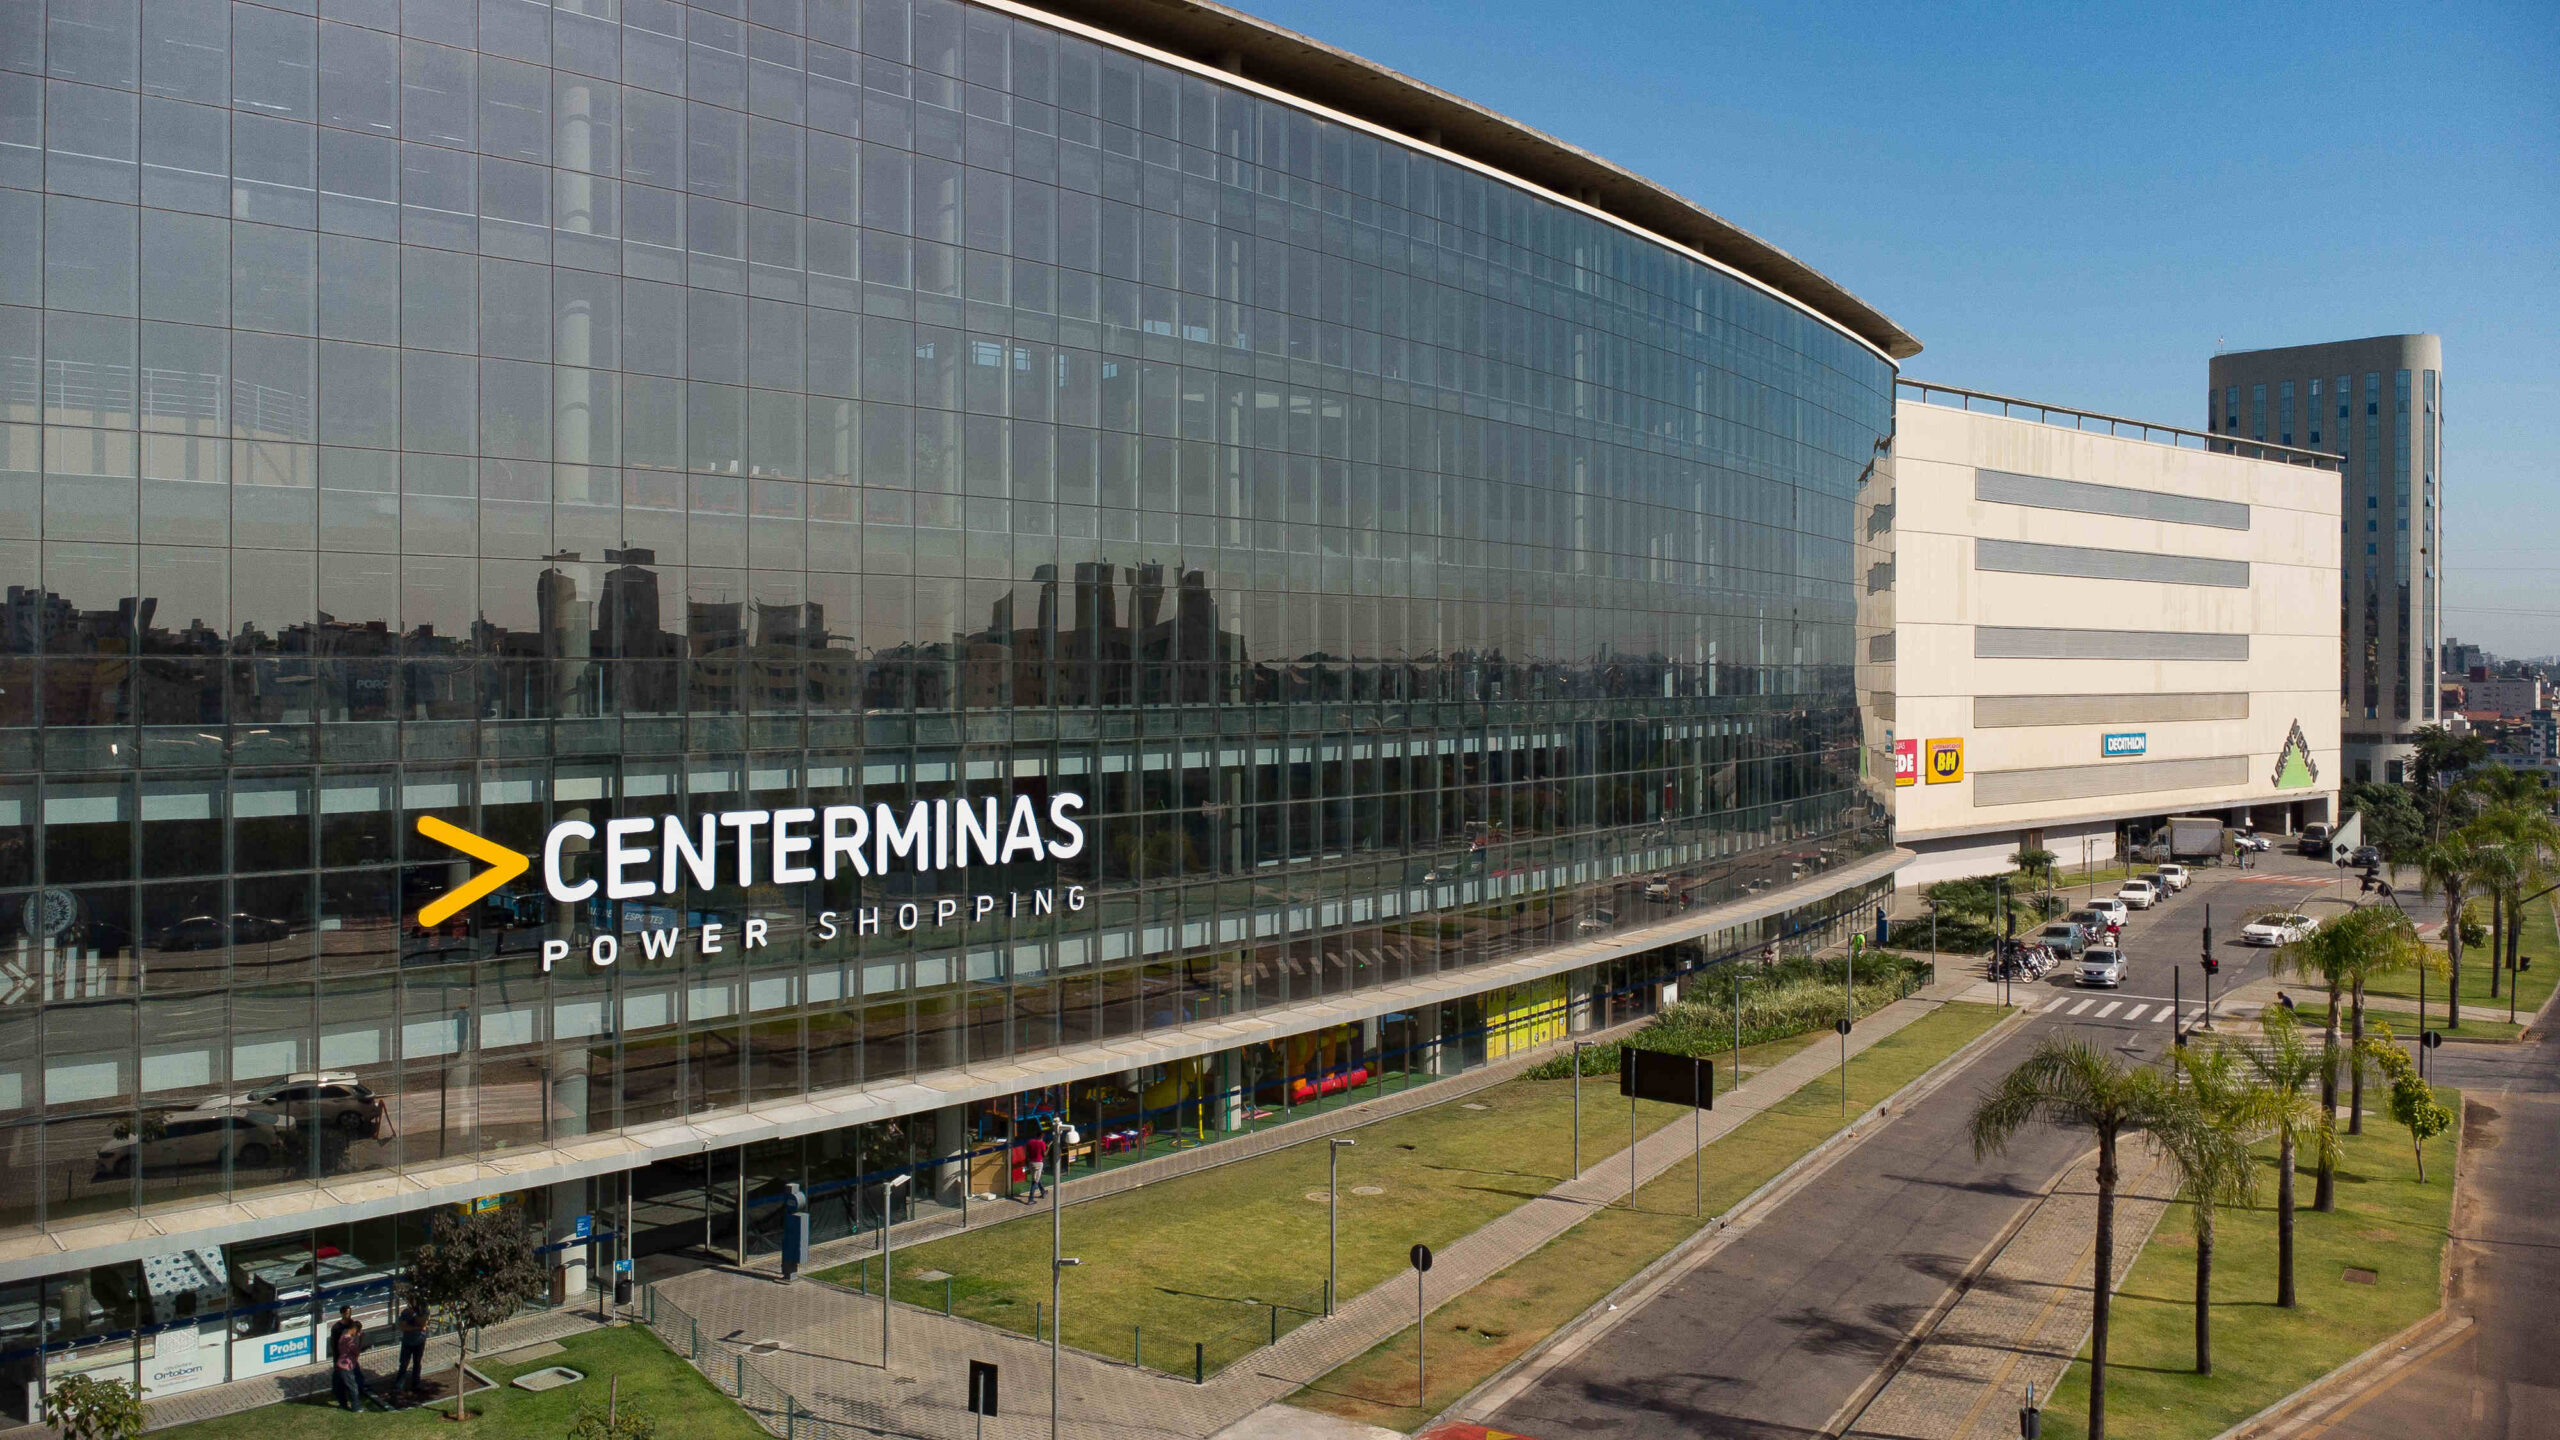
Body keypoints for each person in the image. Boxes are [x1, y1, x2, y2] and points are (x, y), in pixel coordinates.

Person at [328, 1306, 377, 1411]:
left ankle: (343, 1402)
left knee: (340, 1384)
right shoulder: (341, 1332)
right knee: (352, 1385)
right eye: (346, 1313)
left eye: (350, 1313)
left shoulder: (345, 1334)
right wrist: (361, 1340)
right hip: (346, 1363)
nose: (348, 1315)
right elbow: (356, 1351)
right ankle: (356, 1406)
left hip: (342, 1362)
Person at [393, 1301, 428, 1398]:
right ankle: (398, 1386)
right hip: (407, 1342)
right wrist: (417, 1327)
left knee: (417, 1363)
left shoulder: (424, 1311)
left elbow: (423, 1323)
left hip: (419, 1341)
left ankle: (416, 1384)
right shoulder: (405, 1313)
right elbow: (403, 1326)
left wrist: (414, 1316)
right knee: (404, 1364)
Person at [1023, 1128, 1050, 1201]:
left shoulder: (1030, 1142)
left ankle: (1043, 1192)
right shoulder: (1042, 1143)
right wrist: (1048, 1148)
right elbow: (1044, 1154)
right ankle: (1030, 1199)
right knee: (1035, 1181)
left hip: (1031, 1163)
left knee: (1037, 1178)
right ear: (1041, 1136)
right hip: (1038, 1163)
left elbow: (1027, 1152)